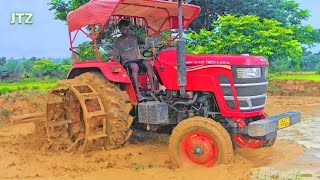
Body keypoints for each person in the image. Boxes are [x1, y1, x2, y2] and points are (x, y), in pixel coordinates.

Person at [112, 19, 156, 102]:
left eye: (128, 28)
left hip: (137, 59)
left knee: (147, 63)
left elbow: (146, 41)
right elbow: (115, 55)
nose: (127, 30)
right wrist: (117, 62)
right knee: (135, 67)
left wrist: (153, 42)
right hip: (127, 62)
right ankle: (138, 93)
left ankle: (153, 88)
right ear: (120, 29)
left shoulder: (134, 36)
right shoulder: (117, 42)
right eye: (125, 29)